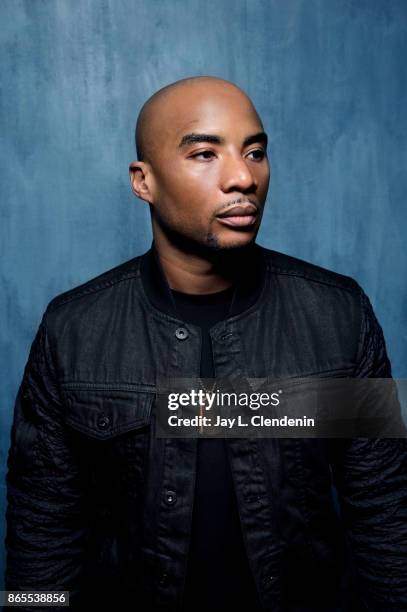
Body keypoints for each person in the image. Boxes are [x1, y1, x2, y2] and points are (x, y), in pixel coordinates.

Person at [5, 76, 406, 611]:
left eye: (256, 151)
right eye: (203, 154)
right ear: (143, 182)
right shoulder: (73, 329)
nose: (243, 177)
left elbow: (384, 512)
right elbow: (42, 534)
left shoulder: (338, 314)